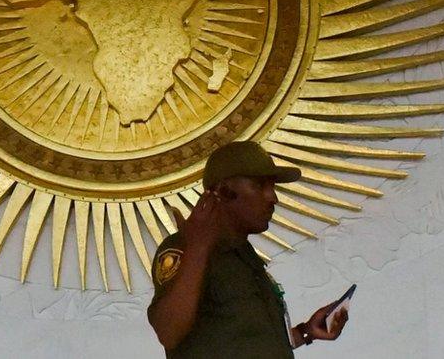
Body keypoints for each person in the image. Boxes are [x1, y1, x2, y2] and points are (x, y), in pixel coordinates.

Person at [147, 141, 350, 358]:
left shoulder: (244, 254)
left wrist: (306, 332)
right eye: (259, 185)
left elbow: (247, 342)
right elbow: (168, 331)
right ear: (223, 192)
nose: (273, 198)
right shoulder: (184, 248)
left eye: (272, 187)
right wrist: (198, 247)